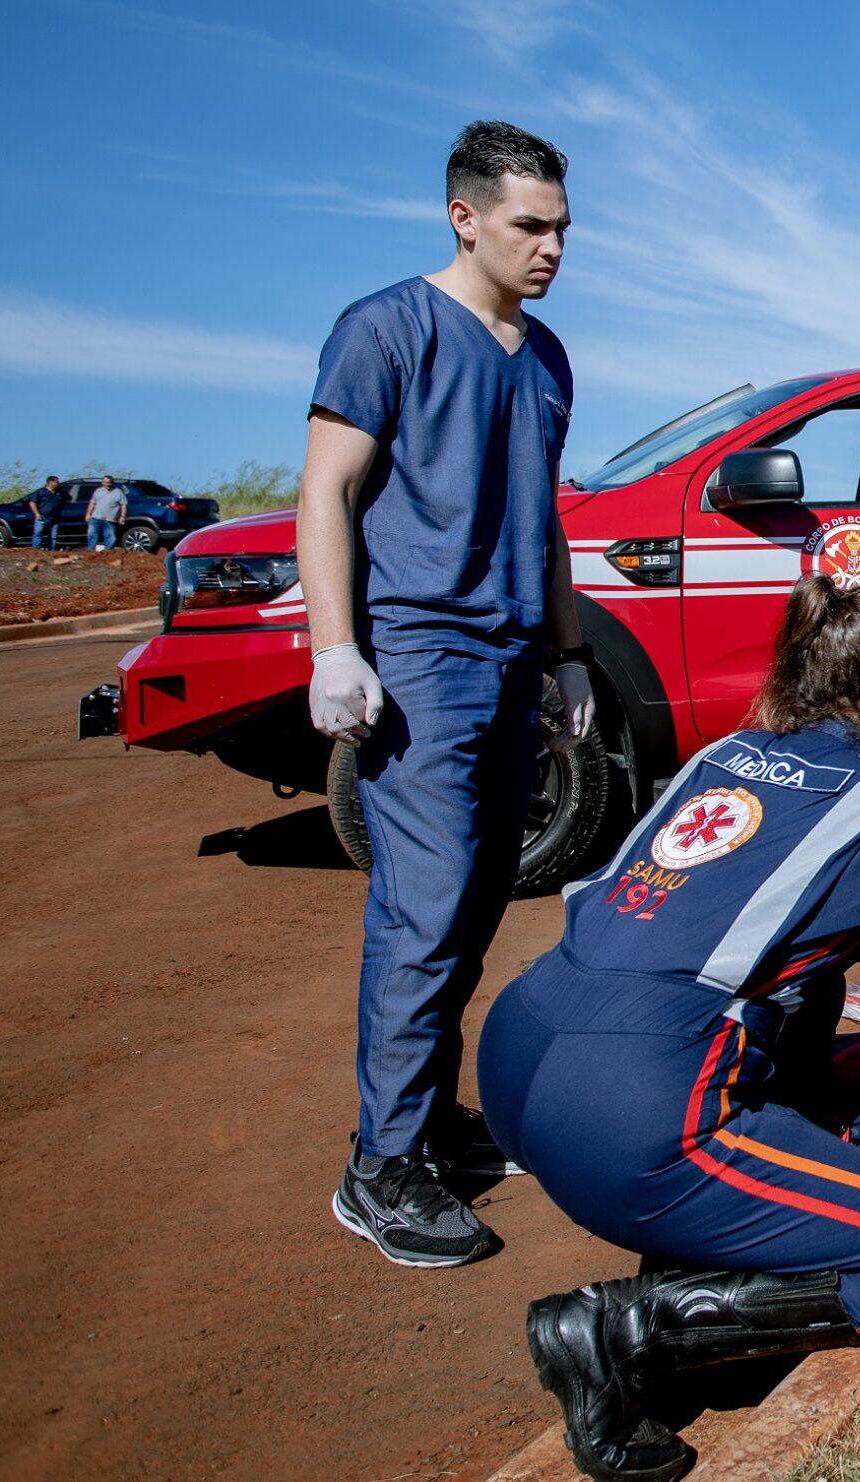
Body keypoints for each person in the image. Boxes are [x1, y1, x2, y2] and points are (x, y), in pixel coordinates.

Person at [486, 579, 860, 1482]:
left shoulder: (725, 752)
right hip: (638, 1110)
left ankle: (700, 1241)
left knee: (796, 1017)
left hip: (521, 1048)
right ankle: (638, 1333)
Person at [302, 121, 595, 1270]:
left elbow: (548, 515)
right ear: (464, 217)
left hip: (517, 657)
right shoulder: (388, 328)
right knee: (422, 910)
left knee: (476, 901)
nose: (551, 247)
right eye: (530, 224)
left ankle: (422, 1122)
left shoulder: (549, 355)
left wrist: (569, 653)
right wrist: (338, 646)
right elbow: (326, 489)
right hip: (422, 657)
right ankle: (378, 1168)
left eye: (563, 227)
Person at [85, 474, 126, 550]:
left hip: (110, 519)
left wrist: (122, 516)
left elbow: (123, 505)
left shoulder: (118, 492)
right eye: (105, 482)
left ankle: (108, 553)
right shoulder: (98, 491)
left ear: (112, 482)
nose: (107, 484)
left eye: (109, 482)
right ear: (102, 482)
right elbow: (92, 503)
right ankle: (90, 551)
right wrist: (88, 514)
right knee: (92, 534)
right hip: (96, 518)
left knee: (110, 537)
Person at [28, 475, 65, 551]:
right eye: (56, 482)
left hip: (55, 518)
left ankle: (52, 551)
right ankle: (36, 550)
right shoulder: (40, 492)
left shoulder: (59, 493)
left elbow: (66, 500)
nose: (58, 483)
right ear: (50, 482)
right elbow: (32, 502)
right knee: (38, 534)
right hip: (42, 517)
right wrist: (37, 514)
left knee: (53, 536)